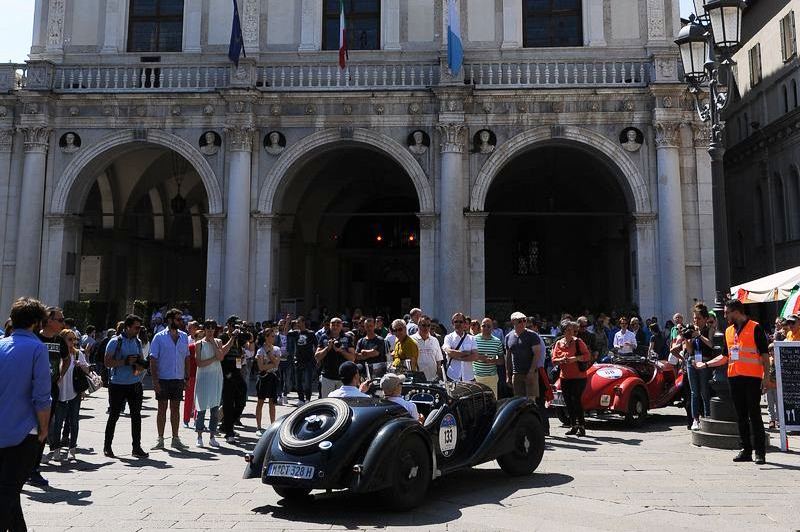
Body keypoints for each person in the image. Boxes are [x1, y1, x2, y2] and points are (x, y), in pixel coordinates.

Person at [0, 298, 51, 531]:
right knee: (9, 491)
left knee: (9, 491)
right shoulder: (37, 348)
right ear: (36, 323)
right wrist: (44, 428)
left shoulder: (1, 345)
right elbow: (42, 395)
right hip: (25, 430)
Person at [702, 299, 769, 464]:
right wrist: (705, 364)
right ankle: (746, 449)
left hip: (753, 378)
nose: (724, 316)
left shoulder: (755, 327)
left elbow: (765, 355)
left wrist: (766, 377)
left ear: (737, 311)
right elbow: (725, 356)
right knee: (740, 416)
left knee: (754, 415)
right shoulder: (728, 331)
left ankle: (760, 452)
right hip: (735, 378)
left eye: (727, 313)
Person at [30, 306, 70, 486]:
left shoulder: (60, 341)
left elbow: (67, 358)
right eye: (60, 320)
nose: (63, 323)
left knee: (43, 429)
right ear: (49, 320)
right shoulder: (35, 338)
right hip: (31, 390)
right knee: (28, 429)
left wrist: (60, 375)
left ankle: (34, 468)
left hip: (50, 390)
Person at [103, 314, 149, 459]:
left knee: (136, 416)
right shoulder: (115, 341)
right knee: (114, 415)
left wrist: (141, 364)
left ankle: (136, 447)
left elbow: (140, 361)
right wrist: (125, 362)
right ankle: (107, 446)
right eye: (136, 327)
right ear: (127, 327)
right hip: (117, 384)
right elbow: (107, 362)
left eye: (139, 328)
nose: (138, 330)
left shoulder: (137, 342)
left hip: (134, 384)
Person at [148, 308, 190, 450]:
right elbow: (153, 360)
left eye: (181, 319)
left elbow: (187, 358)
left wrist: (187, 377)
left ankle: (175, 438)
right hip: (163, 378)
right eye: (178, 319)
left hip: (178, 378)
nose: (181, 322)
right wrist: (155, 381)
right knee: (162, 408)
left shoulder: (184, 336)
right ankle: (160, 439)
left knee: (176, 408)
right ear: (170, 320)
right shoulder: (159, 337)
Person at [51, 329, 90, 461]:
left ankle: (72, 449)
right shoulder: (56, 354)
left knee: (74, 421)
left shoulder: (78, 354)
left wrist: (81, 365)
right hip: (59, 391)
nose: (73, 342)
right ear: (62, 340)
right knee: (57, 423)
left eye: (74, 339)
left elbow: (87, 370)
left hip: (74, 392)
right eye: (69, 339)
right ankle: (56, 449)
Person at [194, 320, 232, 448]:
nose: (210, 330)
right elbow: (199, 363)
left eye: (212, 328)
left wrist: (213, 344)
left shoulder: (218, 341)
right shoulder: (199, 344)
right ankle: (199, 435)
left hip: (216, 377)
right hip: (203, 378)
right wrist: (213, 359)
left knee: (215, 409)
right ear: (204, 329)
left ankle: (212, 436)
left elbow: (220, 357)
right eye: (208, 328)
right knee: (202, 408)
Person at [551, 320, 592, 436]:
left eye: (572, 330)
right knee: (568, 402)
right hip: (565, 377)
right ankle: (573, 425)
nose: (571, 332)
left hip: (579, 377)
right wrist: (562, 360)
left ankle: (581, 425)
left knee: (576, 400)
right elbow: (553, 360)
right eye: (568, 330)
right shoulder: (559, 343)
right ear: (563, 331)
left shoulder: (578, 342)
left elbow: (587, 356)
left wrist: (575, 359)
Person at [219, 318, 250, 442]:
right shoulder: (223, 337)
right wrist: (232, 337)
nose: (235, 328)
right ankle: (229, 432)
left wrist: (244, 330)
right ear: (228, 326)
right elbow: (222, 353)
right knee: (228, 402)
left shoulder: (239, 337)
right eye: (233, 325)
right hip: (227, 372)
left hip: (237, 371)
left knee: (242, 399)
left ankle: (226, 425)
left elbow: (250, 339)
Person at [686, 304, 715, 431]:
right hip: (692, 361)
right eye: (694, 318)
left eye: (698, 318)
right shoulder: (692, 329)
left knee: (704, 391)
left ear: (704, 319)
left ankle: (708, 415)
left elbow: (711, 344)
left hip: (704, 362)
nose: (695, 320)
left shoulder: (709, 329)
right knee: (694, 392)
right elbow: (690, 350)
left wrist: (698, 335)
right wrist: (686, 339)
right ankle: (695, 419)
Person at [504, 312, 543, 399]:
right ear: (513, 322)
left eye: (524, 320)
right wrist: (508, 375)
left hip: (531, 373)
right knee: (518, 401)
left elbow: (537, 354)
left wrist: (531, 371)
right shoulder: (508, 337)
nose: (523, 323)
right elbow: (508, 357)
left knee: (531, 402)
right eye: (520, 321)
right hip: (516, 374)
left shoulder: (533, 335)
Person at [315, 317, 356, 398]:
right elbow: (317, 357)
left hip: (344, 378)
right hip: (327, 376)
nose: (335, 326)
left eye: (338, 324)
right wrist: (327, 348)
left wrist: (341, 350)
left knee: (343, 403)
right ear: (329, 325)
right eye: (333, 324)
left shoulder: (348, 338)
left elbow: (352, 358)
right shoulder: (324, 337)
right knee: (327, 402)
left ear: (341, 326)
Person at [255, 330, 281, 435]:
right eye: (272, 336)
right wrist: (273, 363)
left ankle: (272, 426)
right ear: (266, 337)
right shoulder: (260, 351)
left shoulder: (276, 349)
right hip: (263, 377)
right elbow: (261, 367)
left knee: (272, 402)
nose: (273, 338)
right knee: (260, 401)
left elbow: (277, 363)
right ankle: (259, 427)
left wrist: (269, 353)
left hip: (273, 377)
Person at [473, 318, 505, 397]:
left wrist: (494, 361)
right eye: (484, 326)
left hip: (491, 378)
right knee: (477, 403)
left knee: (492, 403)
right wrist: (481, 357)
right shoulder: (473, 339)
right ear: (480, 327)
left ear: (492, 328)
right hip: (476, 377)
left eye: (488, 326)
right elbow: (468, 355)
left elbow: (502, 360)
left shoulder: (497, 341)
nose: (486, 328)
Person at [290, 316, 317, 405]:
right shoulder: (295, 333)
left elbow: (316, 346)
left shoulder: (311, 333)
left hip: (308, 360)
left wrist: (316, 358)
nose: (297, 324)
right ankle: (301, 399)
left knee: (307, 382)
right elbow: (286, 332)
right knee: (298, 382)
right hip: (298, 360)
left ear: (303, 322)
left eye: (298, 322)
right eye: (296, 322)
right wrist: (287, 321)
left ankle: (308, 399)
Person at [444, 312, 479, 382]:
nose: (458, 324)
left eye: (460, 322)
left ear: (464, 324)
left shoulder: (472, 338)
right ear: (452, 324)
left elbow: (475, 356)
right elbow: (449, 352)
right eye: (456, 321)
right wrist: (466, 353)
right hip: (452, 377)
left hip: (469, 377)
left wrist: (457, 357)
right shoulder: (448, 337)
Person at [411, 315, 443, 381]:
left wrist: (438, 375)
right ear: (418, 325)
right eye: (424, 325)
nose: (426, 328)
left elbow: (438, 361)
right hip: (418, 379)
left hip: (433, 379)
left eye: (428, 325)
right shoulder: (412, 340)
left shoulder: (435, 340)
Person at [183, 321, 200, 428]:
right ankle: (186, 419)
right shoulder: (188, 342)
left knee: (199, 400)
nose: (189, 330)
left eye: (191, 328)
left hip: (201, 374)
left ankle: (197, 419)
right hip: (191, 374)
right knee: (189, 398)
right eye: (188, 328)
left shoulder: (204, 345)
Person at [766, 343, 779, 430]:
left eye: (773, 350)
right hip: (769, 385)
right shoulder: (768, 360)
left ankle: (779, 420)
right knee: (770, 404)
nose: (772, 352)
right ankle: (772, 420)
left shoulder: (780, 360)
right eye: (770, 351)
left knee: (778, 404)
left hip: (778, 386)